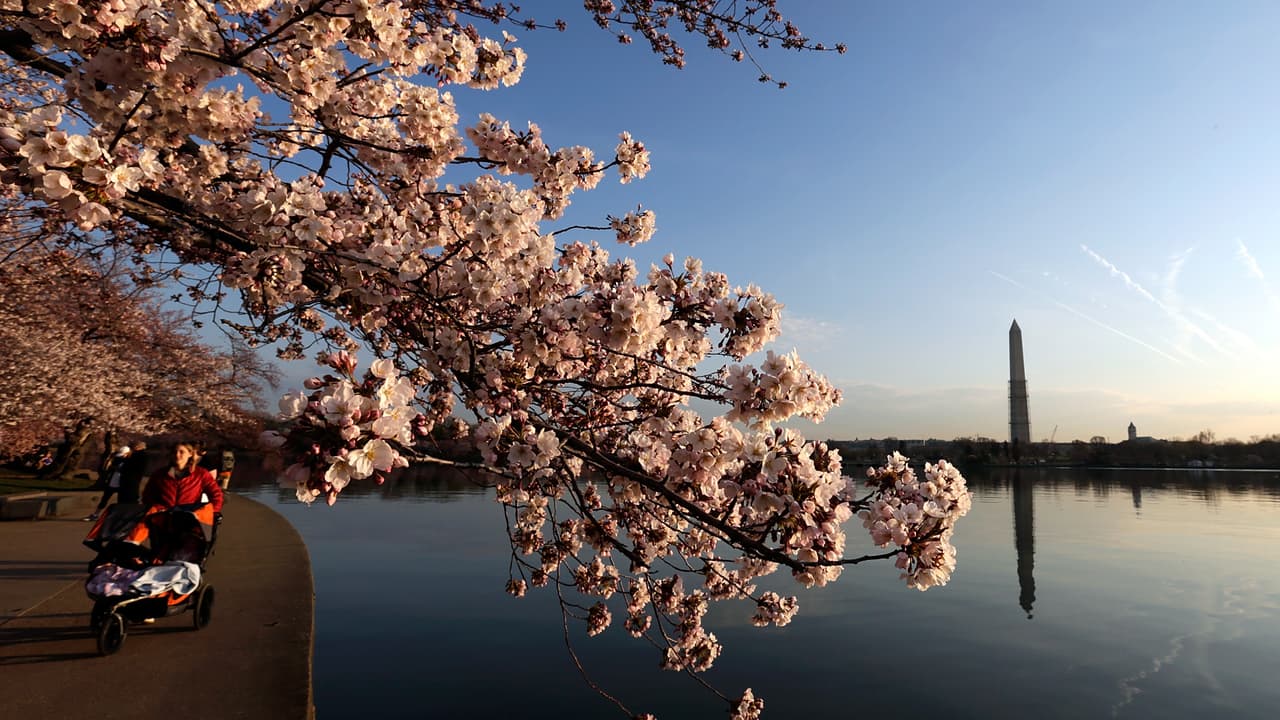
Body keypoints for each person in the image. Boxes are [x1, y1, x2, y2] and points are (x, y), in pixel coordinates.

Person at [141, 441, 224, 514]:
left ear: (190, 454)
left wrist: (212, 512)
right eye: (174, 452)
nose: (177, 455)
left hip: (189, 518)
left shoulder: (200, 474)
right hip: (164, 518)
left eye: (181, 452)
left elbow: (216, 495)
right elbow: (148, 496)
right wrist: (155, 509)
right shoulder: (160, 474)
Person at [84, 445, 131, 521]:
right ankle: (96, 514)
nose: (121, 457)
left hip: (121, 483)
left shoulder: (129, 461)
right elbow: (110, 468)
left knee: (121, 501)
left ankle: (120, 516)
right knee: (104, 499)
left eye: (123, 455)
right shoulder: (117, 459)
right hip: (112, 482)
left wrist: (119, 469)